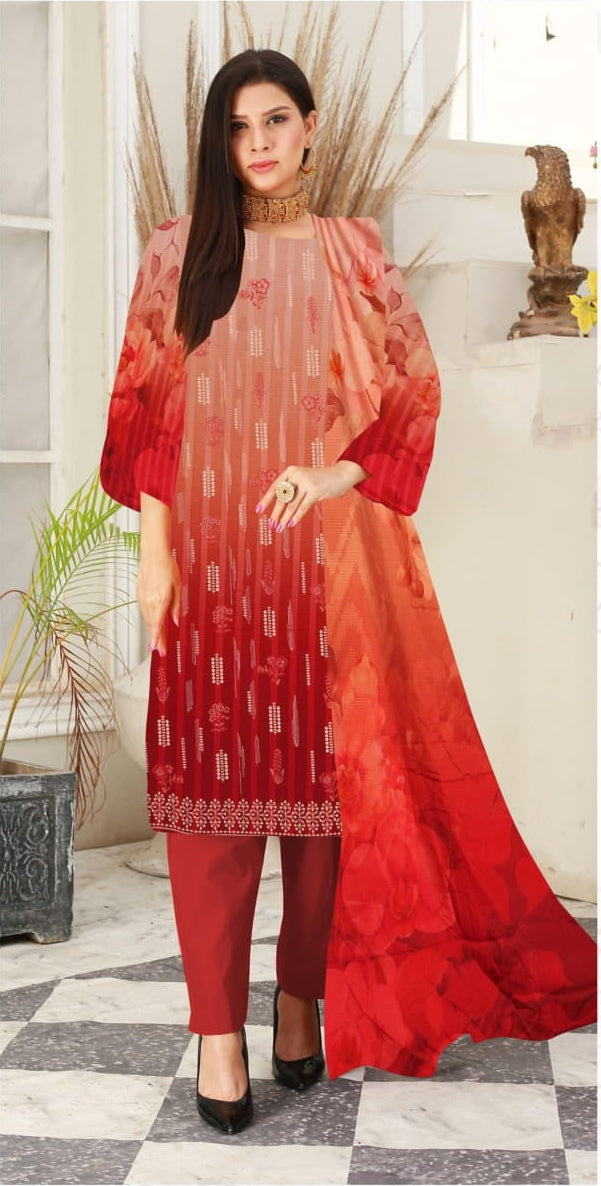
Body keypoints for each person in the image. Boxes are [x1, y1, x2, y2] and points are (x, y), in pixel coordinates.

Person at [100, 49, 596, 1136]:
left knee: (319, 815)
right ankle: (219, 1035)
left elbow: (414, 392)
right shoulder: (177, 255)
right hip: (215, 570)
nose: (260, 143)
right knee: (206, 807)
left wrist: (331, 474)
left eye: (277, 120)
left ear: (311, 127)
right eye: (238, 127)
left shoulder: (352, 253)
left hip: (324, 576)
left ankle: (299, 1004)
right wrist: (157, 554)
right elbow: (149, 415)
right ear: (218, 143)